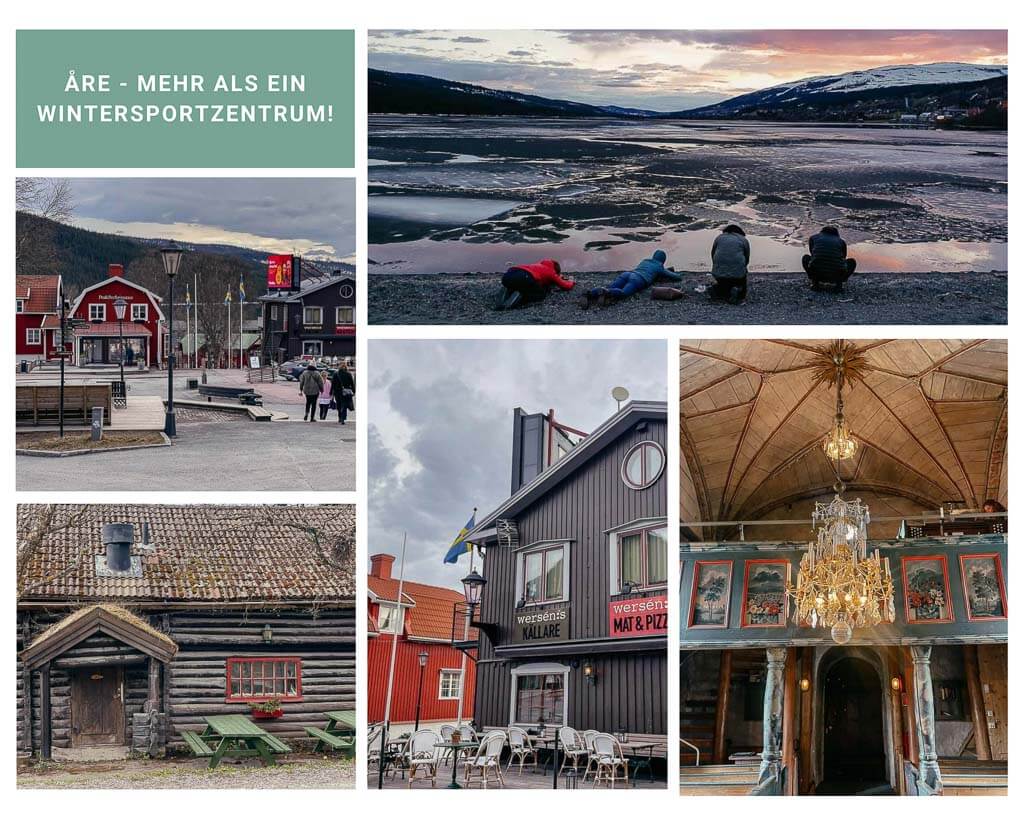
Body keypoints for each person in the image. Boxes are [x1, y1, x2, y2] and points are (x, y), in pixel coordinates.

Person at [581, 249, 680, 308]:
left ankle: (589, 293)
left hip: (628, 274)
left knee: (611, 286)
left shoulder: (645, 260)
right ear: (663, 260)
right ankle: (607, 293)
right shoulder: (659, 267)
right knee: (624, 293)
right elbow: (676, 277)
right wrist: (668, 271)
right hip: (638, 279)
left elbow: (648, 270)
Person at [495, 259, 574, 310]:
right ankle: (515, 298)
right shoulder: (551, 271)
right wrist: (571, 281)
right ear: (556, 269)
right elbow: (565, 286)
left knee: (517, 283)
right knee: (540, 294)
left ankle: (506, 291)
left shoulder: (536, 266)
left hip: (508, 275)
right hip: (524, 277)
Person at [802, 226, 856, 291]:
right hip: (836, 276)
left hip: (817, 273)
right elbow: (843, 257)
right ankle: (839, 285)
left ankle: (815, 283)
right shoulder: (841, 241)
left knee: (806, 258)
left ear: (822, 232)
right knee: (852, 261)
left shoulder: (813, 238)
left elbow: (812, 254)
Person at [709, 224, 750, 304]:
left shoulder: (719, 238)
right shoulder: (743, 240)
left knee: (723, 287)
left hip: (718, 274)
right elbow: (746, 258)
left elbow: (713, 254)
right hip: (738, 275)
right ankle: (738, 290)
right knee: (740, 281)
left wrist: (716, 267)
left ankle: (720, 291)